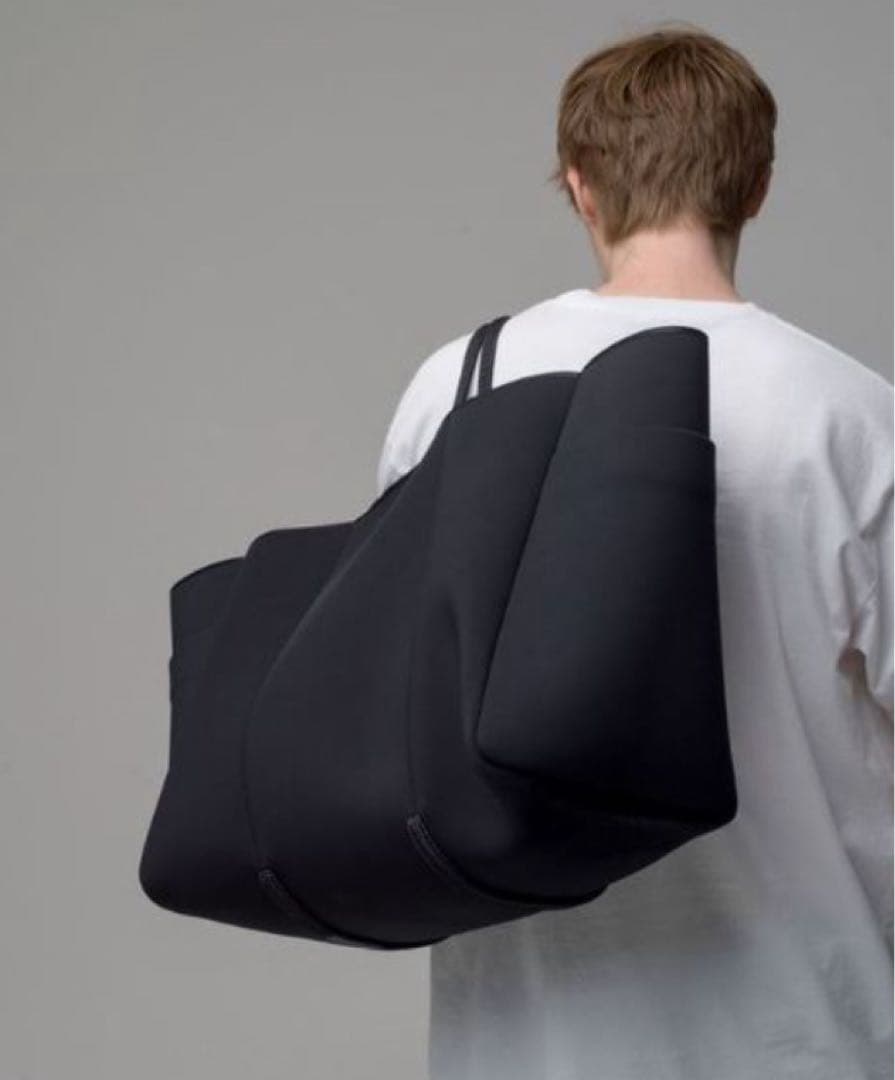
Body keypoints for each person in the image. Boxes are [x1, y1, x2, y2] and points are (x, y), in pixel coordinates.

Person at [374, 24, 894, 1080]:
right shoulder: (849, 414)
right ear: (756, 187)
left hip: (524, 1034)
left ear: (580, 186)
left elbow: (401, 675)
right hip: (804, 1027)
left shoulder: (459, 387)